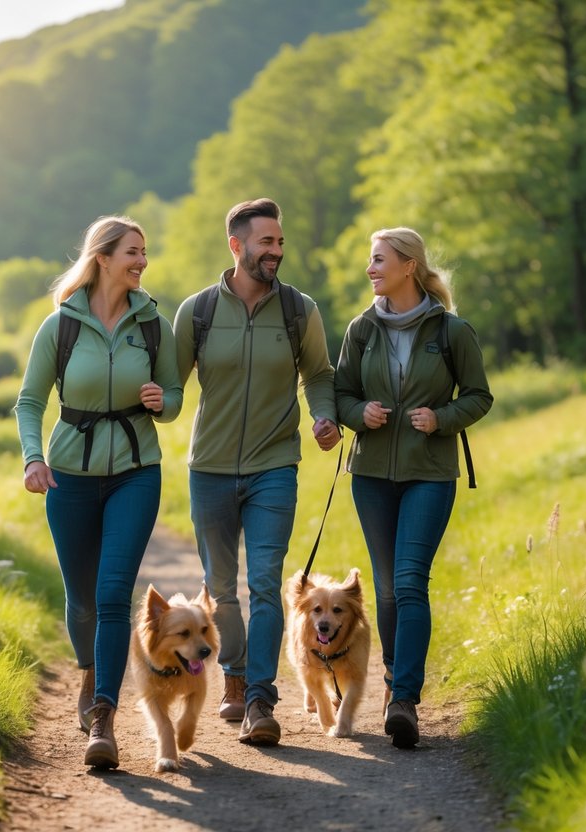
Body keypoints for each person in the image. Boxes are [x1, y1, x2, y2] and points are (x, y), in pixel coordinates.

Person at [15, 215, 182, 769]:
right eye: (133, 252)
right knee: (82, 597)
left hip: (137, 469)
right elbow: (30, 402)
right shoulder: (60, 325)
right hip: (69, 475)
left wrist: (164, 400)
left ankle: (104, 718)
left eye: (145, 252)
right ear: (103, 257)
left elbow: (178, 394)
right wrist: (33, 458)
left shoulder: (153, 322)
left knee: (114, 594)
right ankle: (89, 671)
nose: (142, 261)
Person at [172, 197, 341, 747]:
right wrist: (154, 399)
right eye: (266, 242)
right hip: (211, 468)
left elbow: (319, 374)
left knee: (267, 581)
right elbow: (172, 389)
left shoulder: (299, 311)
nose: (276, 251)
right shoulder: (196, 313)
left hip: (275, 465)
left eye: (280, 242)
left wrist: (324, 414)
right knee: (221, 590)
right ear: (236, 245)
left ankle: (261, 700)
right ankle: (235, 678)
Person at [333, 227, 492, 749]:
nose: (369, 269)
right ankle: (391, 683)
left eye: (378, 260)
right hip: (372, 475)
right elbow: (341, 394)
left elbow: (479, 396)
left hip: (429, 474)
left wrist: (441, 418)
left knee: (409, 581)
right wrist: (362, 413)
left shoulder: (451, 331)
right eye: (369, 261)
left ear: (408, 266)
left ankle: (404, 699)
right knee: (384, 587)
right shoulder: (361, 329)